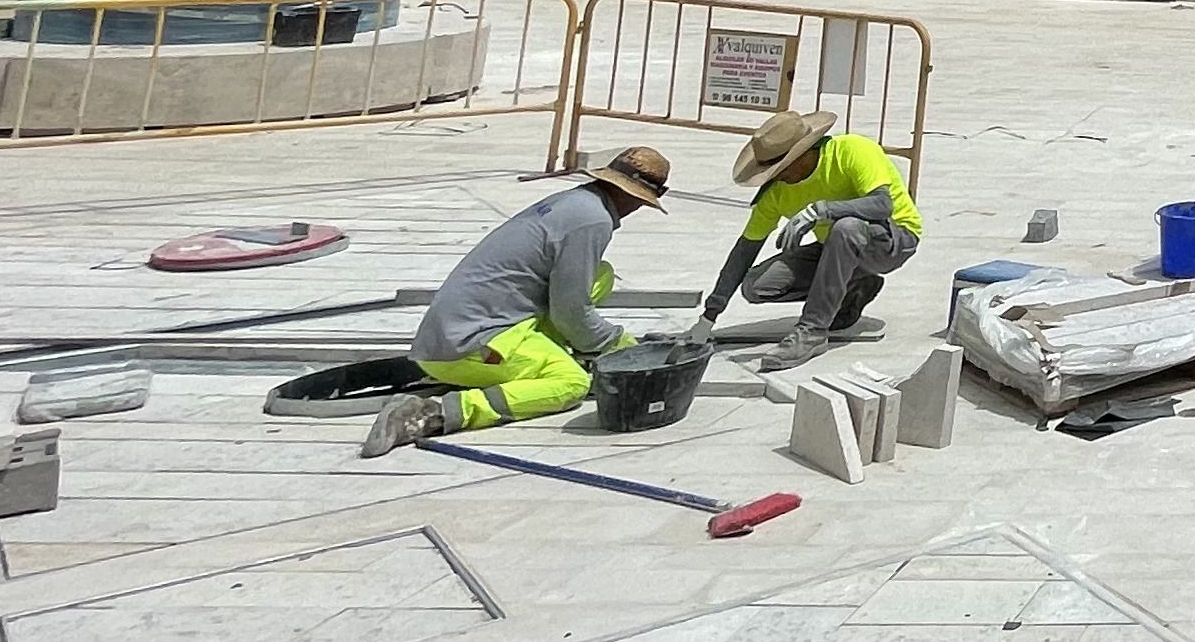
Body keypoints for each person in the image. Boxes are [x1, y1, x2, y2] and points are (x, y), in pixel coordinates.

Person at [364, 146, 672, 453]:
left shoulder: (574, 203)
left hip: (455, 330)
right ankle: (432, 413)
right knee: (571, 382)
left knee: (600, 274)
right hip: (469, 346)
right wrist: (620, 346)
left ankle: (554, 349)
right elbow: (571, 312)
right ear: (633, 196)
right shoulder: (593, 221)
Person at [694, 107, 923, 371]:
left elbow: (882, 205)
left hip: (893, 239)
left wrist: (823, 210)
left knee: (846, 228)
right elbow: (745, 250)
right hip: (837, 249)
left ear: (803, 154)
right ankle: (855, 288)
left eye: (780, 169)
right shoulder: (776, 193)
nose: (776, 177)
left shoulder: (851, 150)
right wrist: (708, 317)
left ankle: (812, 332)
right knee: (757, 285)